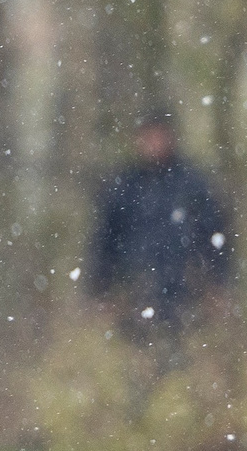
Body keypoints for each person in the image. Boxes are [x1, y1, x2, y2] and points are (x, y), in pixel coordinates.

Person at [85, 111, 233, 338]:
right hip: (133, 296)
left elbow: (215, 236)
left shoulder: (193, 184)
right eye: (148, 137)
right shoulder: (123, 186)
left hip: (186, 296)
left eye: (158, 135)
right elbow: (104, 241)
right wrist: (101, 289)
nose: (153, 143)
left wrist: (218, 285)